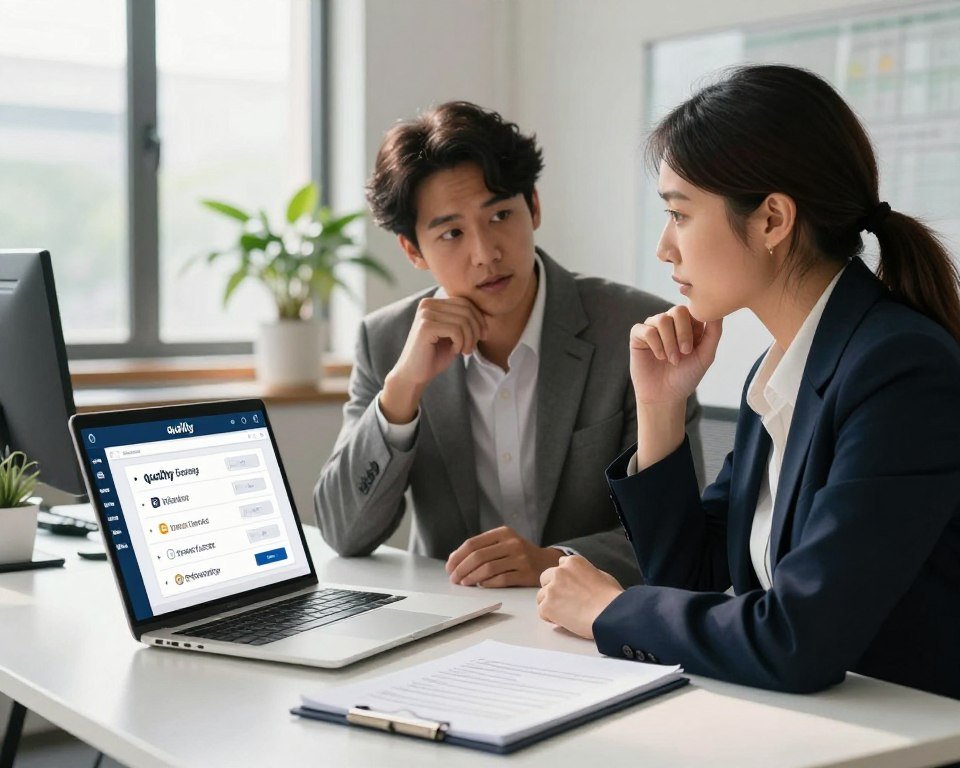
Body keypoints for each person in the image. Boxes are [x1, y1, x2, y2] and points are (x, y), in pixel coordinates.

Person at [537, 65, 960, 699]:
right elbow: (699, 579)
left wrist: (607, 611)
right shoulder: (787, 368)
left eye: (679, 214)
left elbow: (799, 639)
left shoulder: (899, 371)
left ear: (771, 220)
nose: (664, 247)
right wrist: (660, 409)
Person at [314, 101, 702, 588]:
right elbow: (342, 532)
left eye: (500, 215)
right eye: (452, 232)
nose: (486, 253)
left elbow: (678, 536)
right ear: (413, 250)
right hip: (451, 621)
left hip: (594, 629)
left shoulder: (635, 331)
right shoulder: (387, 341)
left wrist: (551, 562)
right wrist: (402, 390)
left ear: (533, 207)